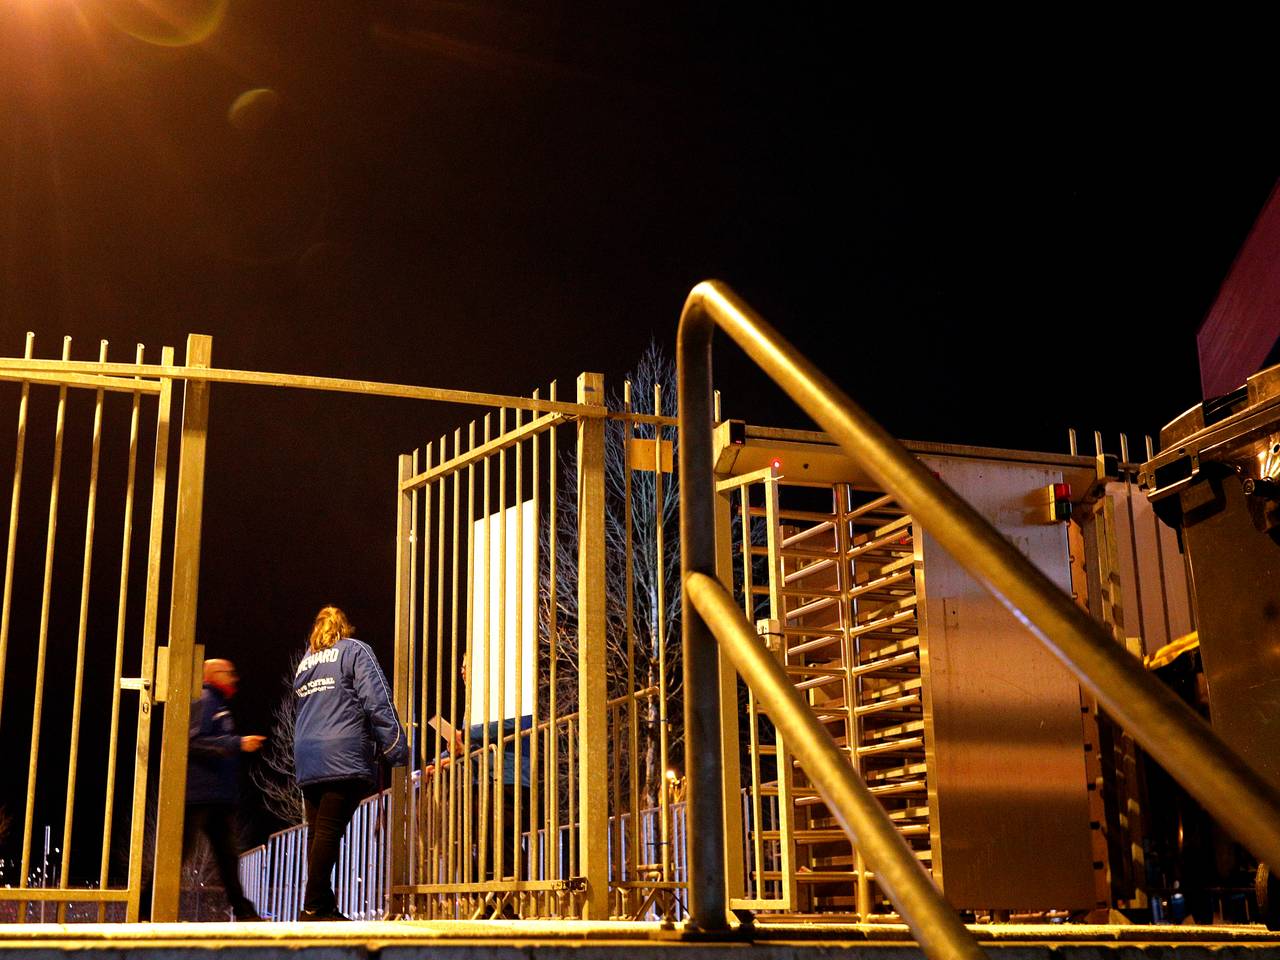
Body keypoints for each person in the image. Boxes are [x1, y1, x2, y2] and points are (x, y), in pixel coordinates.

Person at [293, 605, 409, 921]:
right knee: (329, 831)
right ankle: (313, 907)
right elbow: (377, 700)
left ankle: (322, 904)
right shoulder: (354, 651)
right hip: (342, 753)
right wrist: (396, 747)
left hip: (308, 755)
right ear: (344, 626)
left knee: (318, 833)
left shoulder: (305, 664)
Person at [142, 658, 265, 921]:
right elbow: (192, 741)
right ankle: (144, 906)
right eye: (228, 673)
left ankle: (243, 911)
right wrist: (237, 743)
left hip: (215, 796)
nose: (234, 678)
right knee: (179, 856)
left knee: (226, 858)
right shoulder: (207, 699)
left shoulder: (217, 702)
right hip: (199, 795)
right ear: (214, 674)